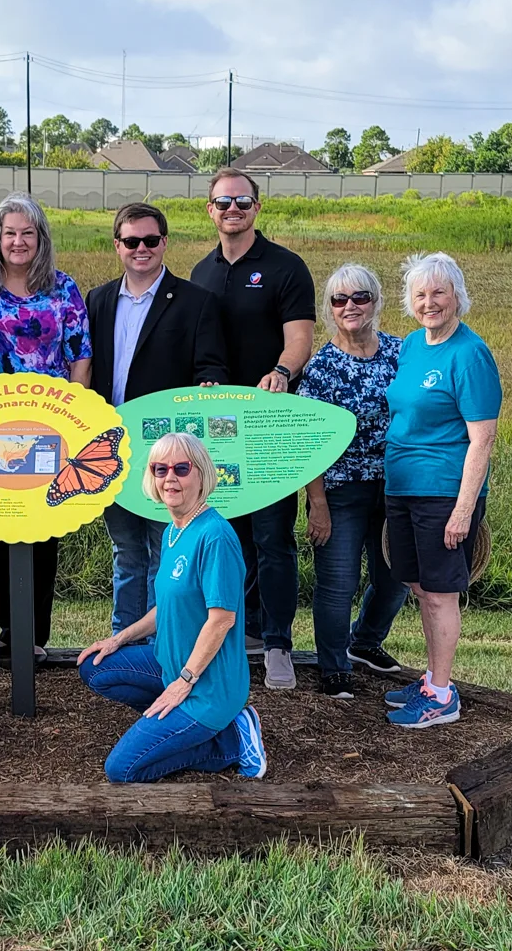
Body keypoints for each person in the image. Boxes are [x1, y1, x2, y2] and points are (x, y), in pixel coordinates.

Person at [187, 168, 315, 689]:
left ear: (257, 208)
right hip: (216, 429)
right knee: (225, 535)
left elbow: (300, 340)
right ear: (210, 211)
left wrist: (282, 372)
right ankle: (235, 634)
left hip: (268, 422)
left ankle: (278, 642)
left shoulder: (285, 267)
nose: (232, 210)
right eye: (222, 203)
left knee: (273, 536)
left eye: (241, 201)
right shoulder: (201, 272)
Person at [77, 434, 267, 782]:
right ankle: (173, 726)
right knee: (95, 665)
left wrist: (184, 682)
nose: (170, 478)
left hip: (208, 686)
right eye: (160, 469)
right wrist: (119, 639)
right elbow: (165, 606)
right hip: (170, 664)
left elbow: (222, 619)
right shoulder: (173, 532)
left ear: (201, 474)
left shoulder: (216, 536)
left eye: (181, 468)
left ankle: (230, 743)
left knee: (122, 769)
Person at [0, 194, 93, 659]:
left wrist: (77, 416)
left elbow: (80, 353)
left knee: (43, 528)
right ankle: (8, 630)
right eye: (9, 233)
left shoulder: (63, 288)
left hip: (52, 425)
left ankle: (34, 637)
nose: (18, 241)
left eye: (27, 233)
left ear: (41, 240)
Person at [87, 201, 228, 634]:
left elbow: (212, 368)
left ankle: (158, 642)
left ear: (164, 243)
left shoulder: (196, 302)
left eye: (150, 240)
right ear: (118, 246)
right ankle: (120, 641)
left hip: (166, 453)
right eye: (131, 241)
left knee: (163, 546)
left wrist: (209, 386)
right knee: (125, 548)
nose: (141, 248)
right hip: (111, 445)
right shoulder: (98, 299)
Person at [379, 252, 500, 728]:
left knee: (439, 594)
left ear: (457, 298)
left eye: (439, 293)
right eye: (420, 295)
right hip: (402, 485)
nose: (430, 303)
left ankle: (443, 695)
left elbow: (483, 437)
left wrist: (463, 509)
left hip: (444, 491)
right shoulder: (412, 345)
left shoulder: (470, 354)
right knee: (416, 584)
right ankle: (432, 677)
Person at [297, 262, 412, 699]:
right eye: (339, 300)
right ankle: (333, 664)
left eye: (360, 297)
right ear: (329, 309)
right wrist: (318, 504)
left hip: (397, 486)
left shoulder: (403, 354)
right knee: (338, 583)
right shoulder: (322, 368)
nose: (350, 306)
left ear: (376, 301)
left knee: (396, 577)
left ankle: (364, 641)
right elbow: (308, 443)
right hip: (341, 490)